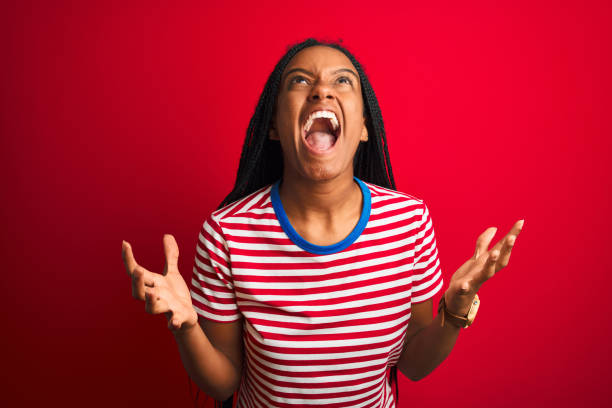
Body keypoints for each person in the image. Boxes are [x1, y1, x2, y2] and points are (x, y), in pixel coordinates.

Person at [121, 38, 523, 408]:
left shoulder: (409, 222)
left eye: (342, 81)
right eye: (300, 81)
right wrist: (187, 326)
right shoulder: (228, 233)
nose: (321, 90)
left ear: (364, 128)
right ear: (275, 127)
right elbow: (223, 382)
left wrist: (453, 314)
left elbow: (414, 364)